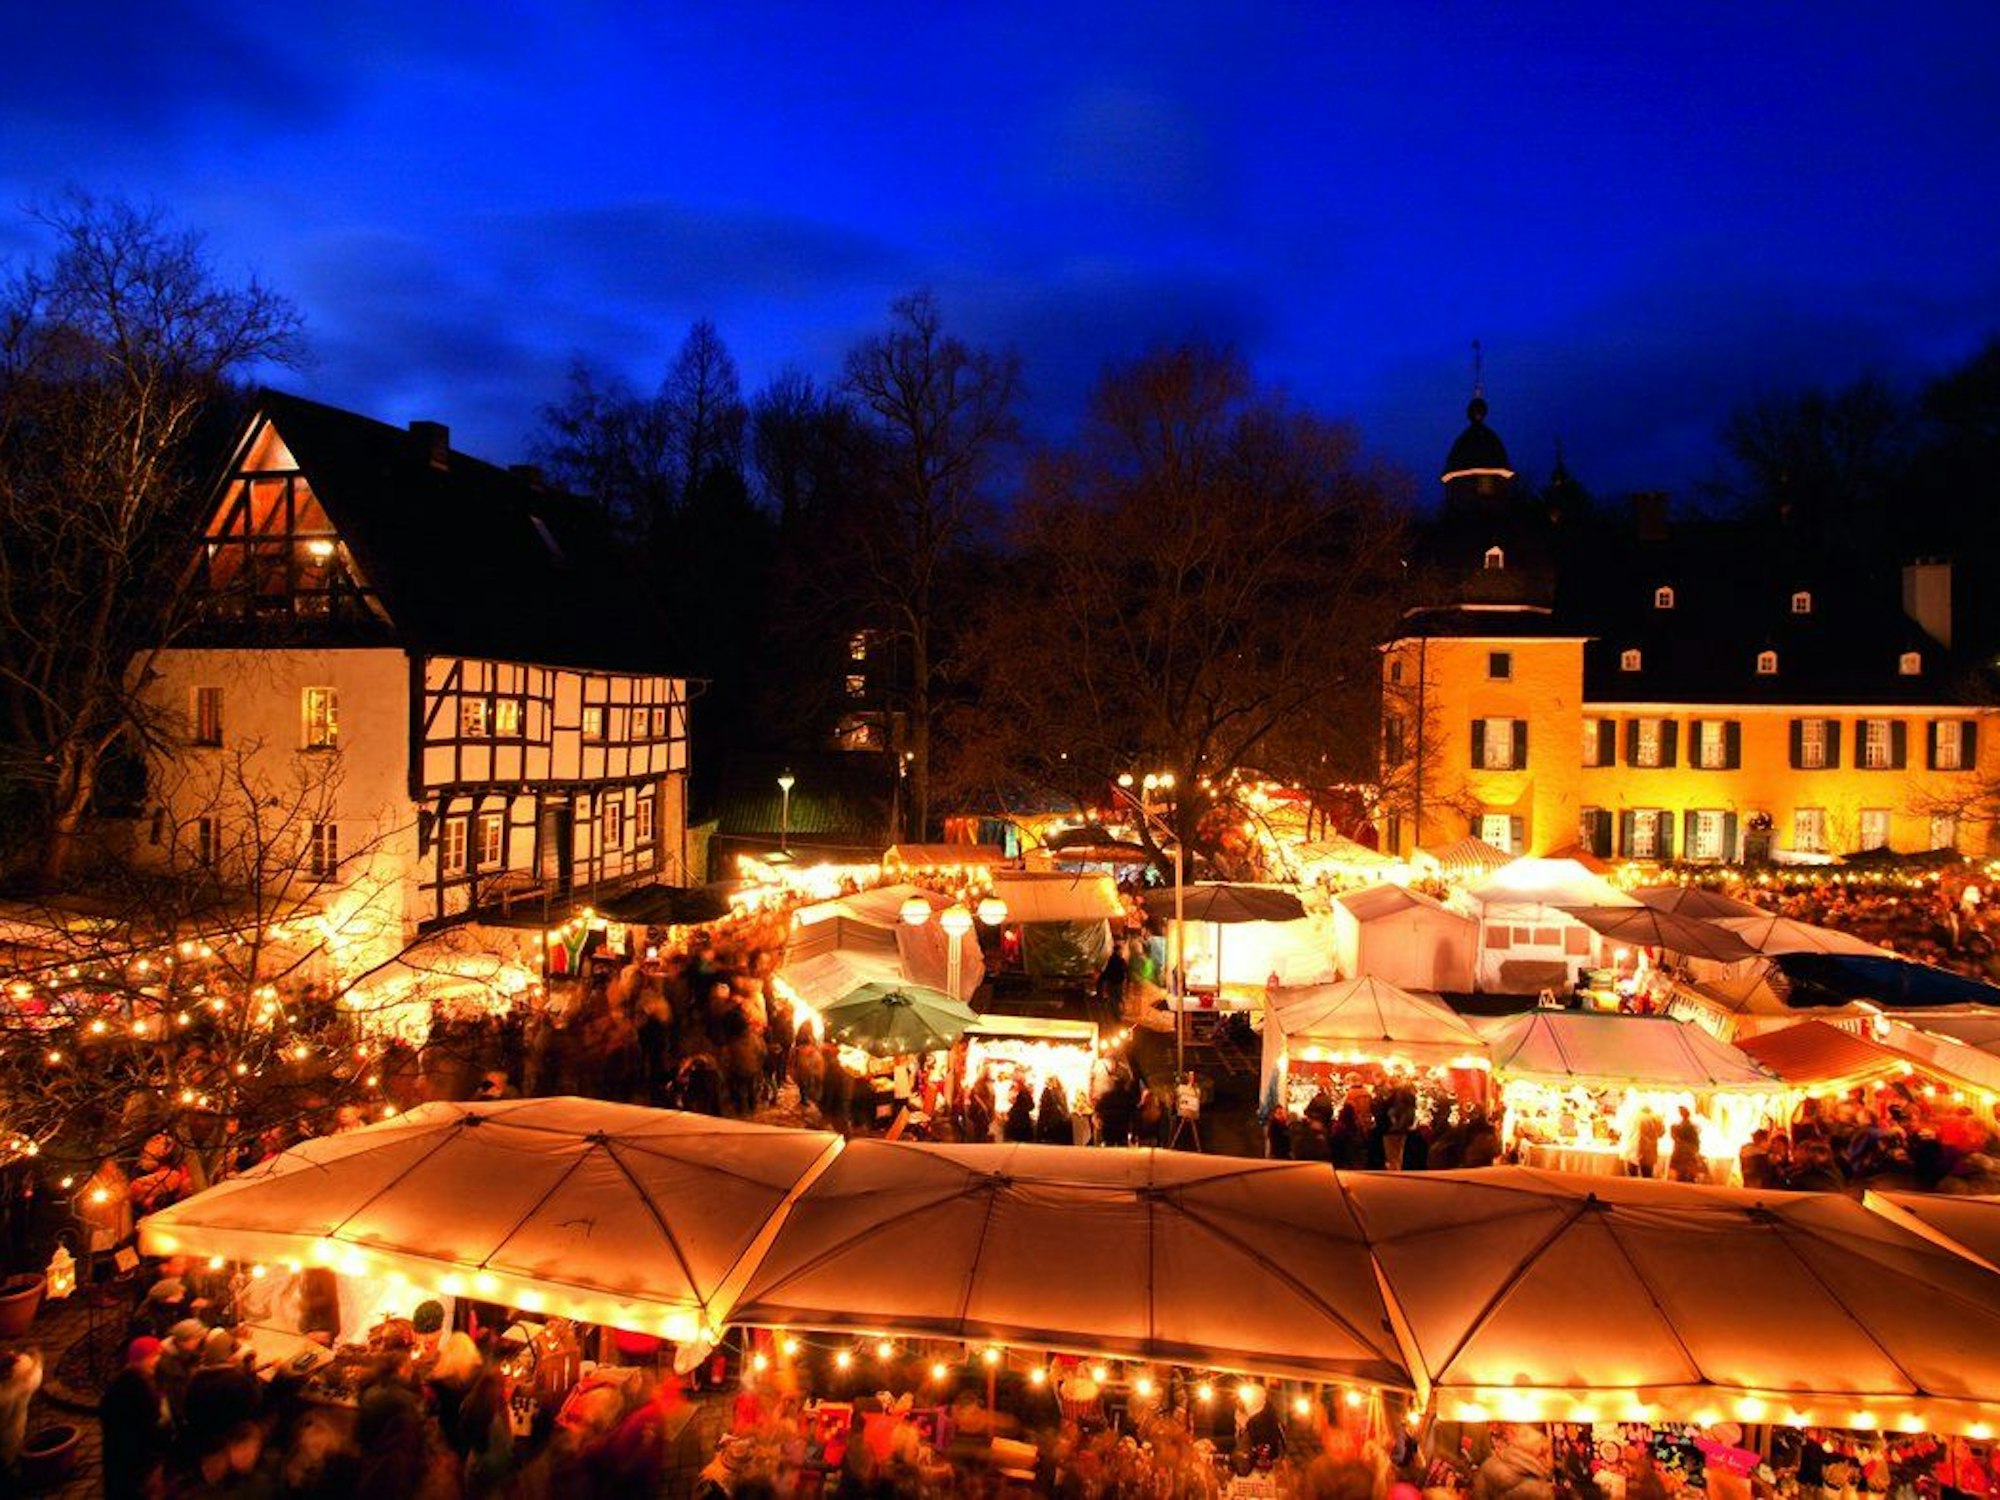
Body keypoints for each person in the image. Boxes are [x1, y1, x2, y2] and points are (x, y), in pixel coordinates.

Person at [101, 1335, 170, 1500]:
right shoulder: (133, 1387)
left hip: (128, 1453)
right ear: (141, 1359)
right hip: (133, 1457)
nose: (157, 1360)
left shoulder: (135, 1379)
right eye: (154, 1356)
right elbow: (147, 1424)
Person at [1623, 1103, 1665, 1179]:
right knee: (1647, 1176)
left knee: (1631, 1177)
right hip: (1647, 1151)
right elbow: (1661, 1133)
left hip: (1631, 1149)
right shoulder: (1653, 1118)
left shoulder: (1631, 1117)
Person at [1668, 1105, 1704, 1183]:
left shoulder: (1684, 1126)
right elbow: (1696, 1140)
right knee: (1685, 1172)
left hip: (1683, 1152)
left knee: (1682, 1173)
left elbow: (1675, 1137)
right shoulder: (1688, 1126)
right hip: (1686, 1152)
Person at [1169, 1071, 1203, 1152]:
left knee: (1183, 1129)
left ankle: (1177, 1145)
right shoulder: (1183, 1088)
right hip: (1184, 1112)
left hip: (1187, 1112)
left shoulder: (1194, 1090)